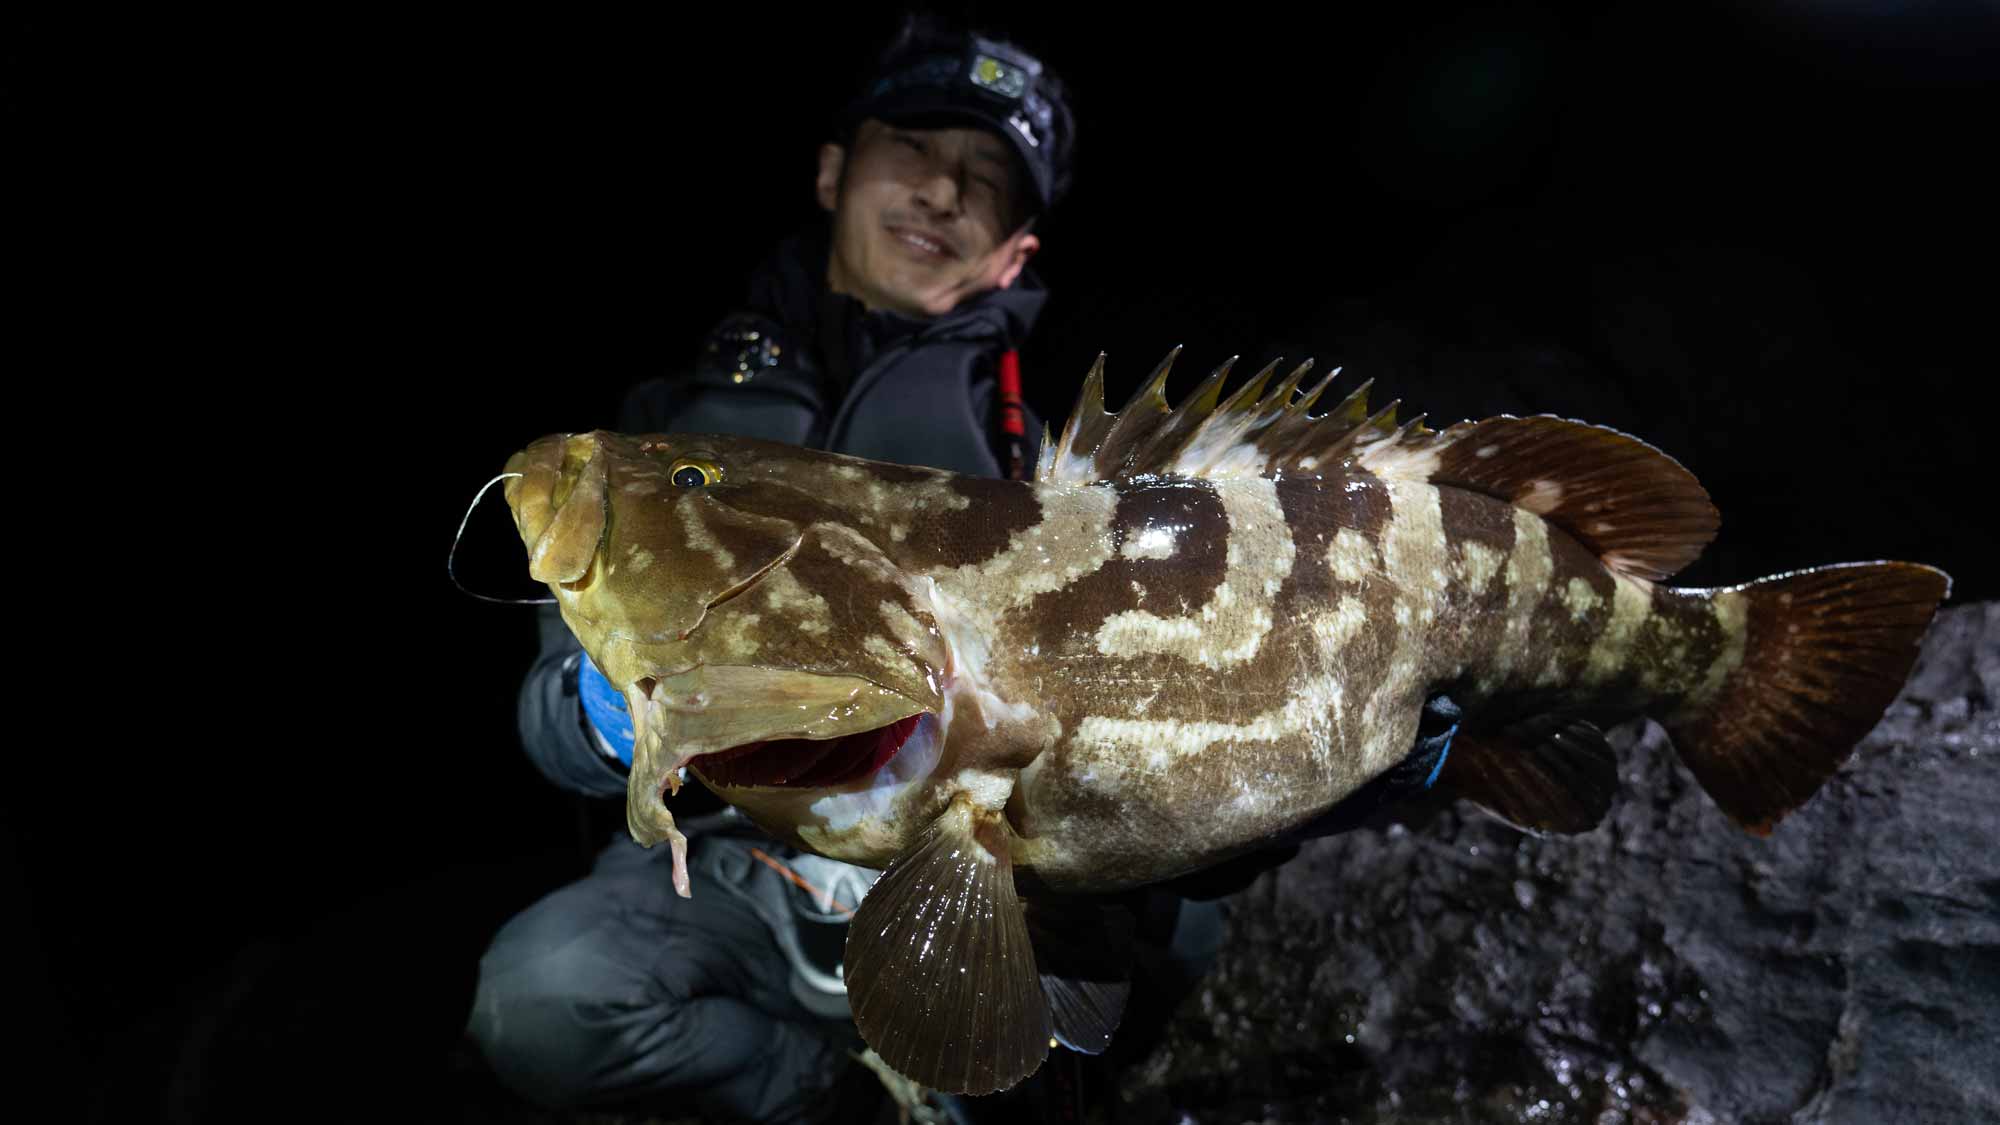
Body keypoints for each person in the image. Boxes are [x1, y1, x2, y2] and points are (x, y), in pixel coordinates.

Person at [467, 20, 1079, 1123]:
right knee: (545, 995)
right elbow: (544, 726)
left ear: (1012, 255)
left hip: (959, 882)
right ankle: (833, 1102)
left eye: (985, 180)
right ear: (833, 168)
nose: (942, 190)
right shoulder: (659, 436)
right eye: (914, 147)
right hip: (735, 876)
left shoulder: (1052, 470)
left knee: (1091, 1014)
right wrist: (607, 710)